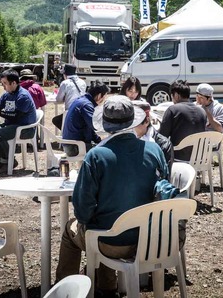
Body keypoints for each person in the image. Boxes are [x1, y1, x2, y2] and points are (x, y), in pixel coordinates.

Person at [55, 95, 168, 296]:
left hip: (110, 243)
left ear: (104, 124)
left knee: (74, 230)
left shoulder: (96, 155)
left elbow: (83, 210)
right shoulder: (154, 150)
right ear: (134, 120)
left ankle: (67, 292)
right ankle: (105, 288)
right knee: (107, 223)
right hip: (151, 239)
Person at [47, 81, 110, 176]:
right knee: (108, 152)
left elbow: (90, 128)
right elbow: (96, 126)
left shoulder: (81, 100)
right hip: (75, 147)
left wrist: (98, 140)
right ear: (99, 96)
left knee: (102, 146)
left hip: (71, 144)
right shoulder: (87, 105)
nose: (104, 99)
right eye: (105, 96)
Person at [0, 69, 37, 176]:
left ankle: (9, 162)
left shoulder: (23, 96)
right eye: (2, 83)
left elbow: (16, 117)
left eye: (5, 83)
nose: (3, 86)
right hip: (11, 125)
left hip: (25, 128)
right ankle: (0, 162)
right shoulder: (7, 94)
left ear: (14, 83)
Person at [158, 80, 207, 161]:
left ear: (176, 95)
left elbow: (162, 136)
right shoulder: (202, 111)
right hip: (199, 158)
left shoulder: (172, 110)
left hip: (178, 157)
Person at [132, 100, 174, 167]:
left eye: (134, 123)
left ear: (146, 121)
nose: (130, 128)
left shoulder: (163, 145)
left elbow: (165, 174)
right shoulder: (124, 140)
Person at [52, 64, 86, 130]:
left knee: (56, 120)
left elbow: (58, 100)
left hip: (70, 112)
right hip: (82, 112)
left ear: (65, 74)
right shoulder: (82, 82)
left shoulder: (65, 83)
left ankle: (67, 133)